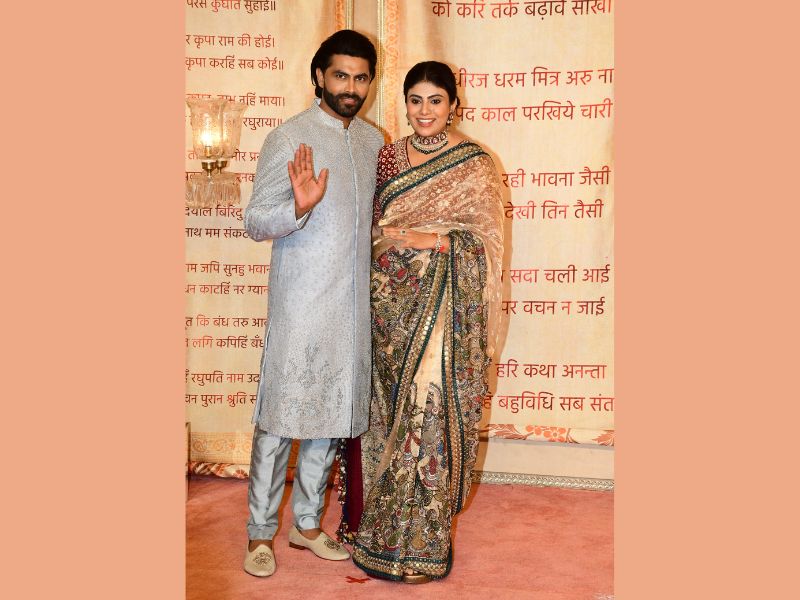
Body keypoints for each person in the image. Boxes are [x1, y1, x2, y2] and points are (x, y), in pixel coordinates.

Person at [339, 61, 505, 584]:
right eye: (415, 100)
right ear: (405, 104)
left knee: (427, 407)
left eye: (436, 100)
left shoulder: (475, 163)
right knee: (386, 412)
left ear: (454, 105)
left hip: (442, 305)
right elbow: (368, 224)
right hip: (386, 305)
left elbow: (487, 244)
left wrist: (431, 241)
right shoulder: (388, 156)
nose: (424, 111)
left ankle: (424, 542)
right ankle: (378, 531)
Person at [241, 29, 384, 578]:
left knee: (331, 416)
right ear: (319, 76)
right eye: (341, 75)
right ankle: (260, 532)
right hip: (300, 306)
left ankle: (305, 525)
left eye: (361, 78)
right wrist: (298, 209)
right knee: (279, 422)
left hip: (351, 312)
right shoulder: (289, 138)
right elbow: (256, 221)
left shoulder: (373, 142)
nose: (351, 88)